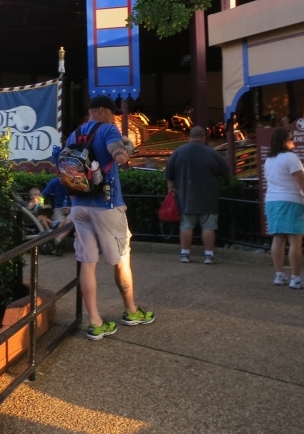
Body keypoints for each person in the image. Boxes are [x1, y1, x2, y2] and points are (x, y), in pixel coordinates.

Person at [67, 96, 154, 341]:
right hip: (107, 206)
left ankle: (95, 322)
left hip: (79, 206)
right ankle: (132, 311)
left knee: (87, 262)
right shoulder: (108, 129)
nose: (115, 117)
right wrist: (127, 147)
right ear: (103, 111)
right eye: (113, 113)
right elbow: (120, 157)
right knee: (122, 260)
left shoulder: (74, 134)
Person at [166, 125, 230, 264]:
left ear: (190, 137)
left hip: (186, 196)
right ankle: (208, 255)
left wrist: (171, 189)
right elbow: (226, 173)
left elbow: (169, 173)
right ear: (203, 137)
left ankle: (185, 254)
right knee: (208, 227)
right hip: (209, 197)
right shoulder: (212, 153)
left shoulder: (178, 152)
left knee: (186, 226)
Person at [263, 128, 304, 288]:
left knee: (278, 238)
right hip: (291, 200)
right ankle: (297, 277)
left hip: (271, 201)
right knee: (295, 240)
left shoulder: (269, 160)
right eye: (291, 139)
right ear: (283, 142)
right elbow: (300, 179)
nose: (294, 141)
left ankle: (279, 275)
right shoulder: (291, 157)